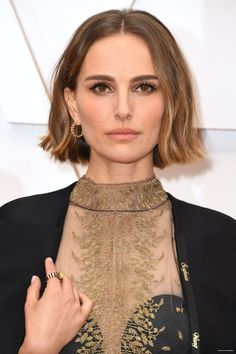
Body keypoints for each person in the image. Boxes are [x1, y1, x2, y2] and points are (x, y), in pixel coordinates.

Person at [0, 7, 235, 354]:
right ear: (73, 105)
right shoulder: (11, 231)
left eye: (144, 87)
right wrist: (38, 346)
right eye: (101, 87)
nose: (123, 108)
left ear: (169, 101)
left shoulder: (223, 244)